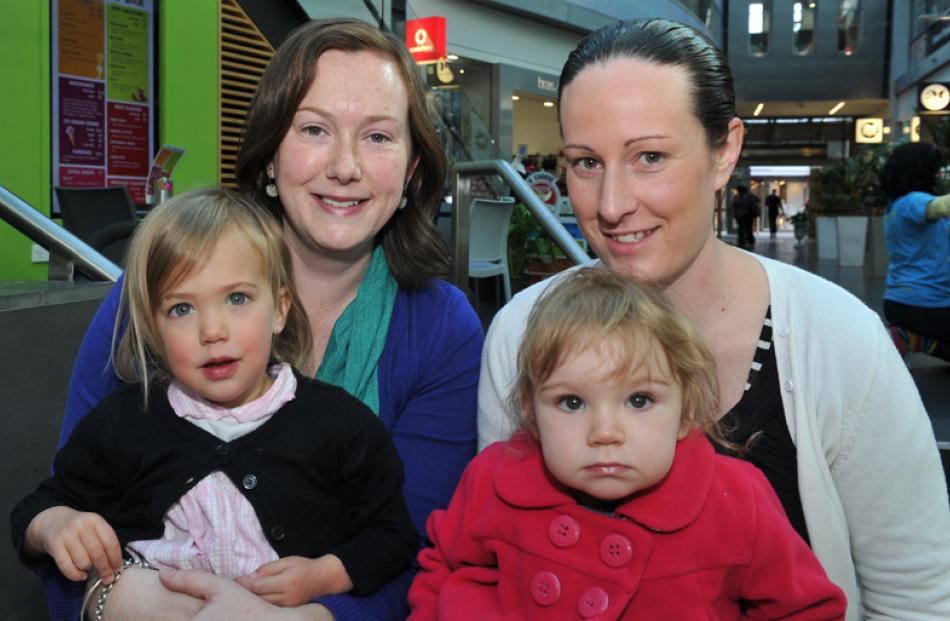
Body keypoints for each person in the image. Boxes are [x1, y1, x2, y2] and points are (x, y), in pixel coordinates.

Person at [477, 18, 950, 621]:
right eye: (586, 162)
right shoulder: (522, 334)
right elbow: (491, 553)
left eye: (649, 156)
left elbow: (917, 601)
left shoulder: (839, 343)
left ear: (724, 150)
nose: (612, 204)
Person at [45, 17, 484, 621]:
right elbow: (69, 521)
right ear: (270, 155)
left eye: (379, 137)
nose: (345, 166)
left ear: (411, 171)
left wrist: (304, 620)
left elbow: (422, 552)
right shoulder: (155, 292)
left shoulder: (440, 330)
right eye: (313, 129)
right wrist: (116, 599)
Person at [12, 188, 418, 617]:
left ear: (280, 309)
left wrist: (327, 575)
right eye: (182, 309)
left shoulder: (341, 425)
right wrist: (55, 525)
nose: (212, 330)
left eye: (237, 299)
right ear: (153, 328)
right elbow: (36, 508)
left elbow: (392, 535)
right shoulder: (123, 423)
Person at [409, 268, 847, 619]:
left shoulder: (736, 501)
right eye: (571, 402)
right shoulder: (493, 478)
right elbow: (444, 568)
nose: (605, 432)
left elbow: (806, 608)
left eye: (639, 400)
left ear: (685, 410)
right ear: (531, 412)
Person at [880, 142, 950, 362]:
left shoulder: (896, 207)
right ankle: (906, 336)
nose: (938, 175)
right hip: (924, 305)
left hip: (905, 304)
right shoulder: (912, 202)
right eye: (934, 169)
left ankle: (913, 339)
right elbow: (940, 207)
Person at [731, 184, 759, 249]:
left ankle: (743, 242)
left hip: (743, 215)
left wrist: (735, 214)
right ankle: (748, 242)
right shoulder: (749, 196)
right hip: (747, 215)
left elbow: (734, 206)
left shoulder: (738, 197)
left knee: (742, 229)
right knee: (747, 229)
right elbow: (757, 200)